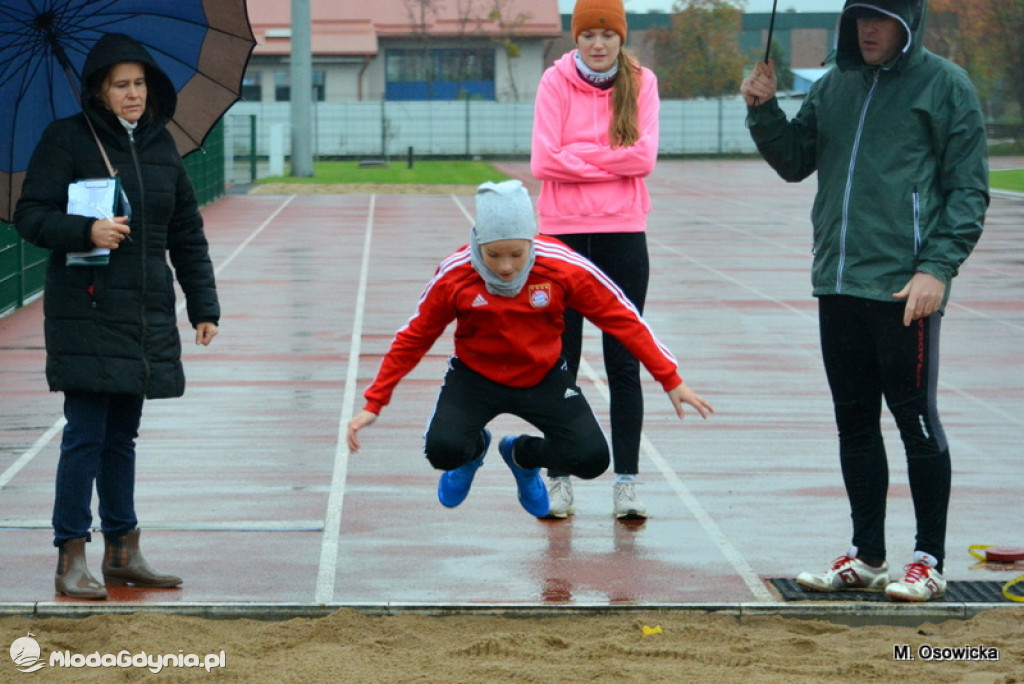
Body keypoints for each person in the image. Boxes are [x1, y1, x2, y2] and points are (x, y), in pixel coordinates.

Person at [740, 0, 987, 602]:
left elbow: (968, 189)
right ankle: (868, 556)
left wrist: (937, 269)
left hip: (907, 289)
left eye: (881, 20)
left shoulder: (945, 86)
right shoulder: (834, 86)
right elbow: (797, 162)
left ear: (908, 24)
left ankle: (927, 561)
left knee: (916, 422)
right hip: (839, 283)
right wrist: (764, 110)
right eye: (859, 19)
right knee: (855, 423)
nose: (868, 30)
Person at [346, 180, 712, 518]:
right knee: (443, 451)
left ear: (531, 241)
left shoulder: (563, 267)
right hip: (476, 377)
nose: (506, 267)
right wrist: (374, 402)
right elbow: (413, 336)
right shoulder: (455, 275)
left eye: (517, 255)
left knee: (591, 459)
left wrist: (670, 377)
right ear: (477, 243)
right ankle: (473, 453)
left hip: (543, 376)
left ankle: (522, 456)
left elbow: (622, 318)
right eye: (494, 255)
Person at [15, 33, 220, 600]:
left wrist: (203, 305)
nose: (133, 94)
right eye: (121, 85)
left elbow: (186, 233)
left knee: (122, 436)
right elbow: (29, 215)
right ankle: (70, 556)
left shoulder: (161, 147)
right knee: (85, 433)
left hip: (145, 309)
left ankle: (123, 552)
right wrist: (86, 230)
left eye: (140, 83)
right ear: (100, 92)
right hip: (86, 306)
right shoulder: (65, 140)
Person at [530, 0, 660, 520]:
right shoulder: (553, 83)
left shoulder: (642, 83)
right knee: (558, 360)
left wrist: (577, 156)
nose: (598, 44)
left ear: (621, 38)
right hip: (562, 236)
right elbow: (543, 160)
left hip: (623, 234)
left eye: (608, 34)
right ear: (576, 39)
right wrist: (612, 161)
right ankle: (559, 478)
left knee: (623, 363)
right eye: (589, 35)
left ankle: (626, 482)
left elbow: (644, 159)